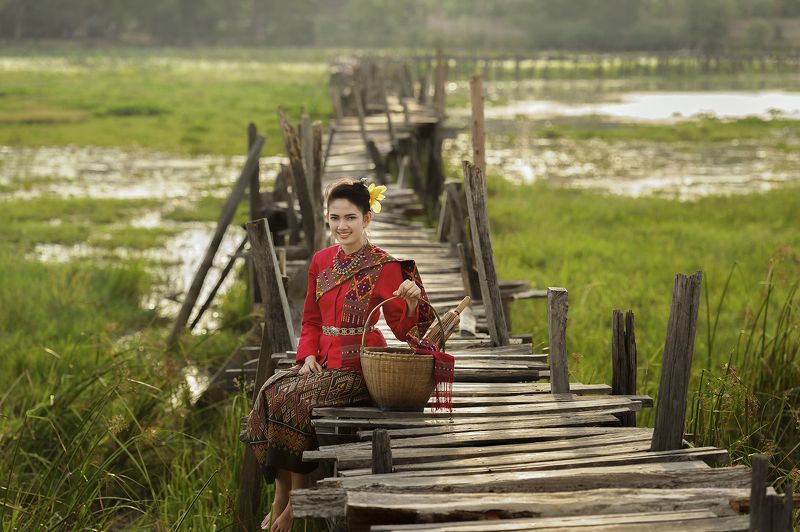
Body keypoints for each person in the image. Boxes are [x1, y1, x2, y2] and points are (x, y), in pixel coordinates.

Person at [239, 177, 434, 532]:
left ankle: (296, 506)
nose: (341, 226)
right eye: (334, 218)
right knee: (270, 392)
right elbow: (311, 319)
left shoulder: (387, 266)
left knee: (297, 400)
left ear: (367, 219)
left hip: (361, 367)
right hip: (323, 361)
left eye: (350, 218)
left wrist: (410, 301)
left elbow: (411, 333)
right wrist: (307, 355)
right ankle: (280, 496)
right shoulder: (321, 261)